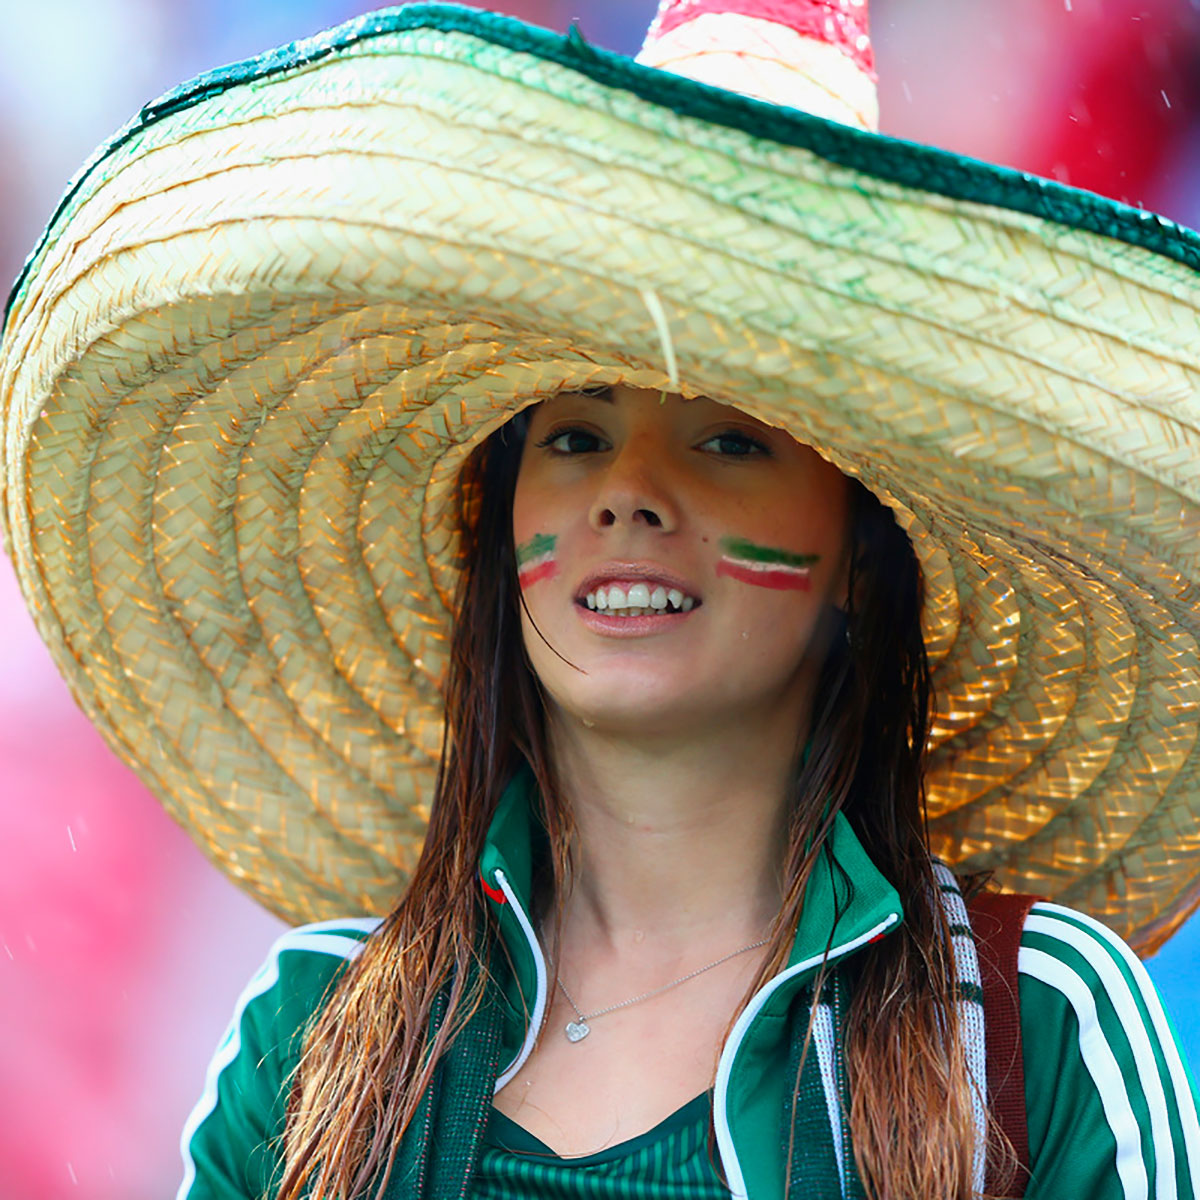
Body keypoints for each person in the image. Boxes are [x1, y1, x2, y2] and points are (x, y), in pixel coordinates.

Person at [1, 3, 1198, 1199]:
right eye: (574, 434)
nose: (627, 493)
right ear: (499, 523)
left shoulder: (1031, 1033)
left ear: (859, 553)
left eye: (729, 440)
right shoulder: (314, 1037)